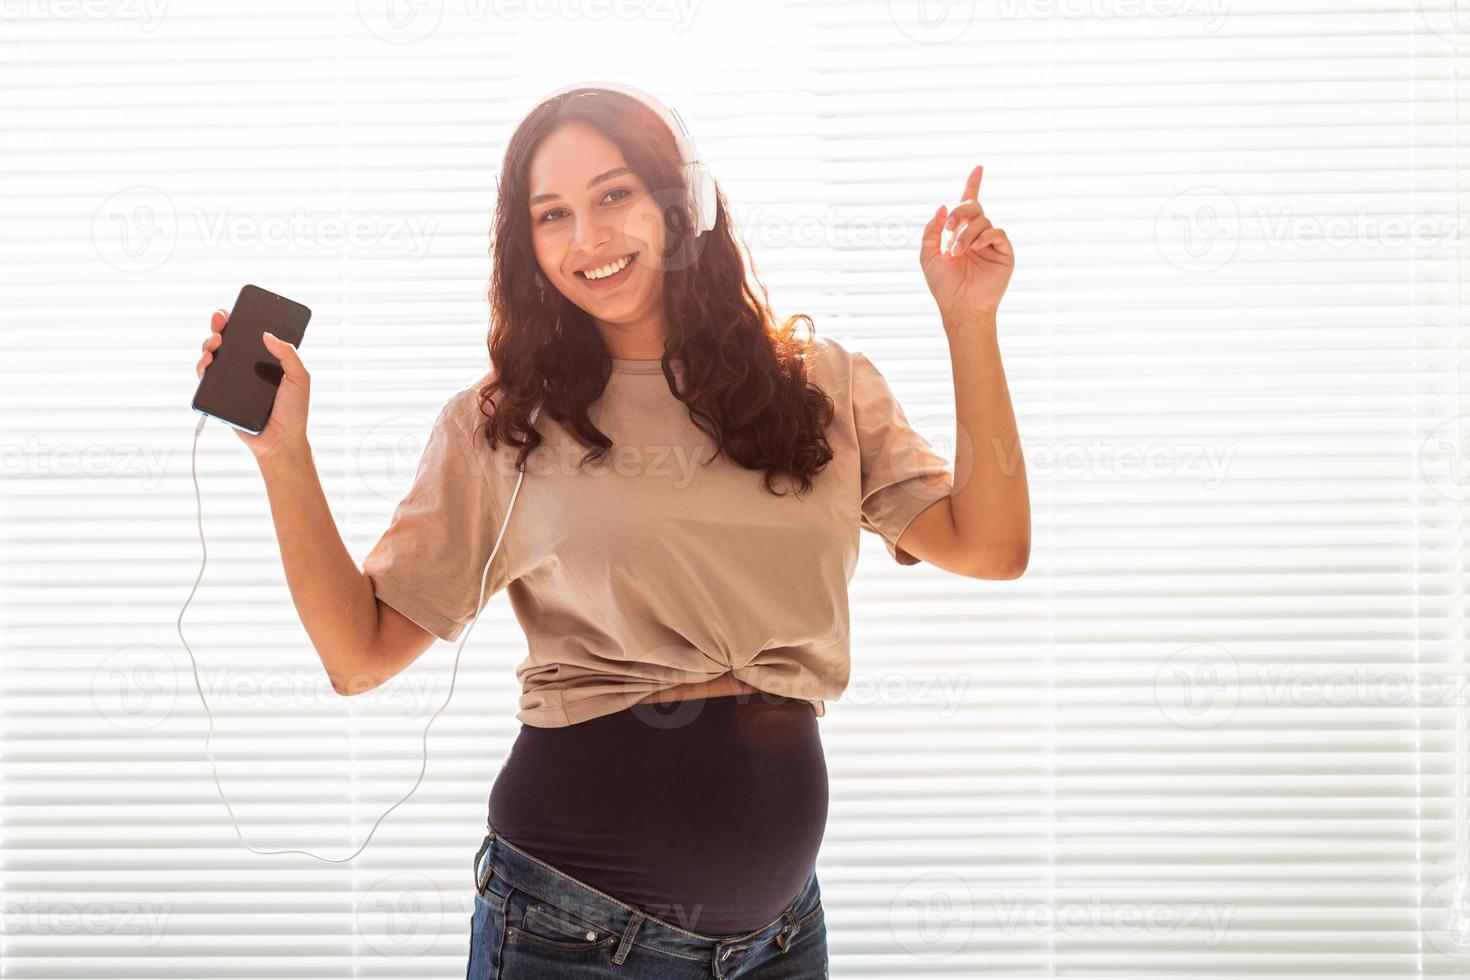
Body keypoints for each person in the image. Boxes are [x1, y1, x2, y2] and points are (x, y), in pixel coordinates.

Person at [194, 84, 1028, 979]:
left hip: (781, 937)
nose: (586, 239)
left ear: (686, 203)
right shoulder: (502, 425)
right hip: (573, 934)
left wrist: (969, 320)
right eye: (552, 214)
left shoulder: (821, 385)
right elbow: (357, 656)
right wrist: (285, 454)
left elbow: (991, 547)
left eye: (615, 195)